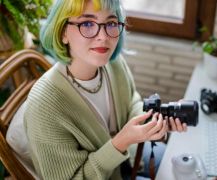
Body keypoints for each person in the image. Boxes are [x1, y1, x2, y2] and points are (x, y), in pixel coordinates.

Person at [23, 0, 187, 179]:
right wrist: (120, 143)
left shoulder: (113, 64)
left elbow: (132, 102)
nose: (103, 36)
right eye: (87, 23)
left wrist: (155, 121)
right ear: (63, 32)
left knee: (184, 164)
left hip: (130, 158)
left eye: (110, 23)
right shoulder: (44, 107)